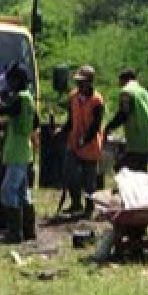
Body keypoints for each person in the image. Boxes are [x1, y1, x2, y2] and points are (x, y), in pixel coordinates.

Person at [0, 64, 37, 243]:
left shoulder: (20, 99)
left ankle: (14, 232)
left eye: (11, 80)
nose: (8, 83)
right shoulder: (29, 99)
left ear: (18, 81)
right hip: (24, 151)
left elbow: (2, 110)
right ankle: (29, 230)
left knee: (7, 191)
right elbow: (35, 122)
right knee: (22, 192)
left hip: (16, 153)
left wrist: (1, 101)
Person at [60, 65, 106, 217]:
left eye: (82, 82)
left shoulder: (97, 101)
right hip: (74, 143)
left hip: (90, 144)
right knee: (70, 174)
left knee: (89, 180)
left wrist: (84, 140)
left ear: (90, 82)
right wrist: (62, 130)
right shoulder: (73, 96)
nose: (79, 85)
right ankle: (75, 204)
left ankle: (89, 207)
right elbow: (71, 120)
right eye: (78, 82)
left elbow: (95, 126)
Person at [104, 68, 148, 172]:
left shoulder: (126, 91)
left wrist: (108, 128)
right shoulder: (144, 92)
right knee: (140, 170)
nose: (120, 84)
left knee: (121, 168)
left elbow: (123, 114)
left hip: (137, 140)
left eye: (120, 82)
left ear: (124, 80)